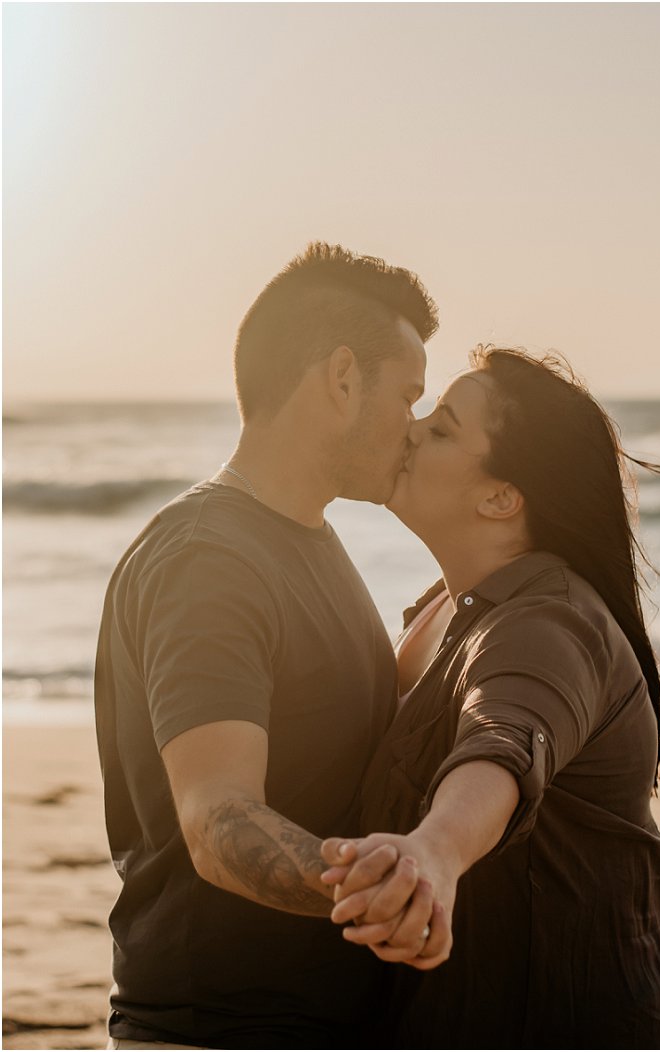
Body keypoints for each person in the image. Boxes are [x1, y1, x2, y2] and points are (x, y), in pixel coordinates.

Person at [93, 242, 438, 1049]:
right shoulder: (208, 558)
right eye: (408, 396)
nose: (414, 429)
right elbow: (219, 823)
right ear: (342, 377)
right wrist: (394, 894)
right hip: (221, 1028)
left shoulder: (306, 537)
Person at [322, 347, 660, 1050]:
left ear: (499, 496)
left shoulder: (544, 625)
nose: (409, 429)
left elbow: (504, 736)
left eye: (441, 429)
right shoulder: (441, 610)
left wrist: (434, 850)